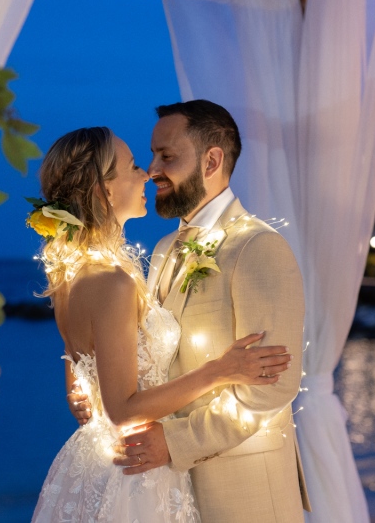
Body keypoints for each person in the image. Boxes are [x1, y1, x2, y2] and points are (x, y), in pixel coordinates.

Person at [29, 126, 293, 522]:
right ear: (104, 190)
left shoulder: (70, 275)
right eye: (133, 166)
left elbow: (76, 360)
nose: (146, 175)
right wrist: (220, 371)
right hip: (134, 473)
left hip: (96, 461)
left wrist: (82, 390)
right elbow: (123, 410)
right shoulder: (113, 281)